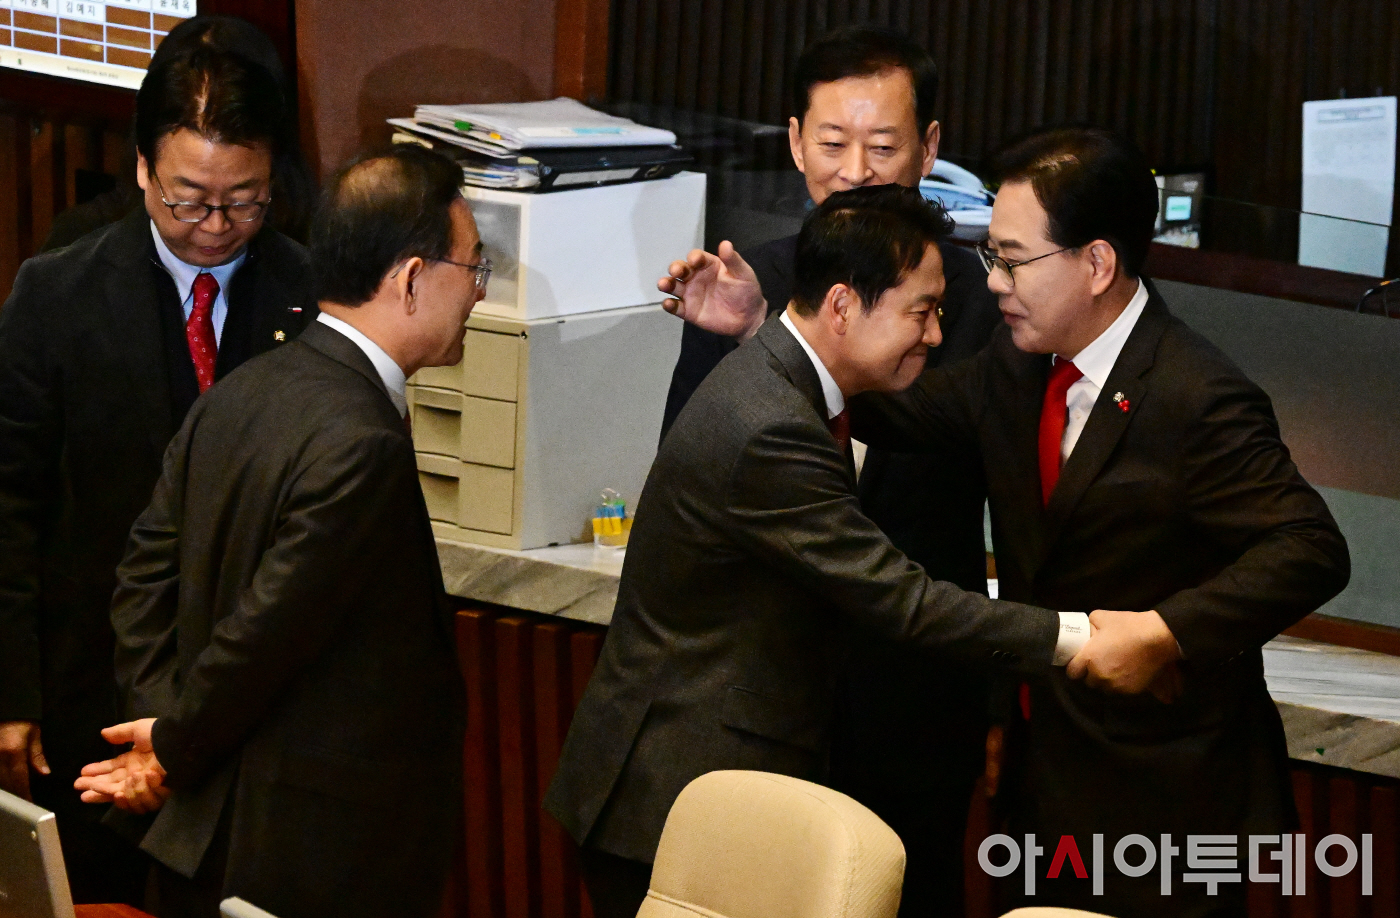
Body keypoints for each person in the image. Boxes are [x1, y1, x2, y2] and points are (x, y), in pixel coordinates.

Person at [545, 185, 1159, 918]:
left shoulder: (785, 383)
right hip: (671, 798)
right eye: (921, 312)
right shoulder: (773, 424)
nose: (935, 336)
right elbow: (900, 597)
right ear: (841, 306)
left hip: (704, 785)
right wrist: (1082, 637)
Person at [842, 128, 1349, 917]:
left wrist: (1166, 633)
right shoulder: (1016, 364)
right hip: (1042, 781)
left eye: (1013, 259)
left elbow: (1310, 546)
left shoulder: (1196, 393)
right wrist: (780, 336)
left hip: (1167, 800)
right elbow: (901, 413)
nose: (994, 281)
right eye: (992, 256)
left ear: (1098, 263)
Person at [74, 145, 477, 918]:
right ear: (412, 279)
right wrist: (170, 746)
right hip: (310, 856)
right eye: (473, 267)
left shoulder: (242, 388)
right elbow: (266, 633)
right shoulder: (363, 442)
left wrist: (160, 728)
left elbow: (143, 576)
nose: (478, 292)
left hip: (206, 834)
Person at [655, 27, 1002, 913]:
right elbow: (687, 483)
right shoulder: (742, 285)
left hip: (913, 704)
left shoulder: (974, 306)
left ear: (929, 148)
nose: (855, 172)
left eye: (882, 147)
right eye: (833, 143)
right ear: (795, 142)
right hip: (757, 704)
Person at [0, 37, 314, 905]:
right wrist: (10, 691)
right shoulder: (57, 295)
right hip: (88, 696)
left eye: (244, 202)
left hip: (253, 712)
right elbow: (8, 502)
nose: (214, 226)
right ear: (142, 169)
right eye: (189, 200)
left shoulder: (312, 294)